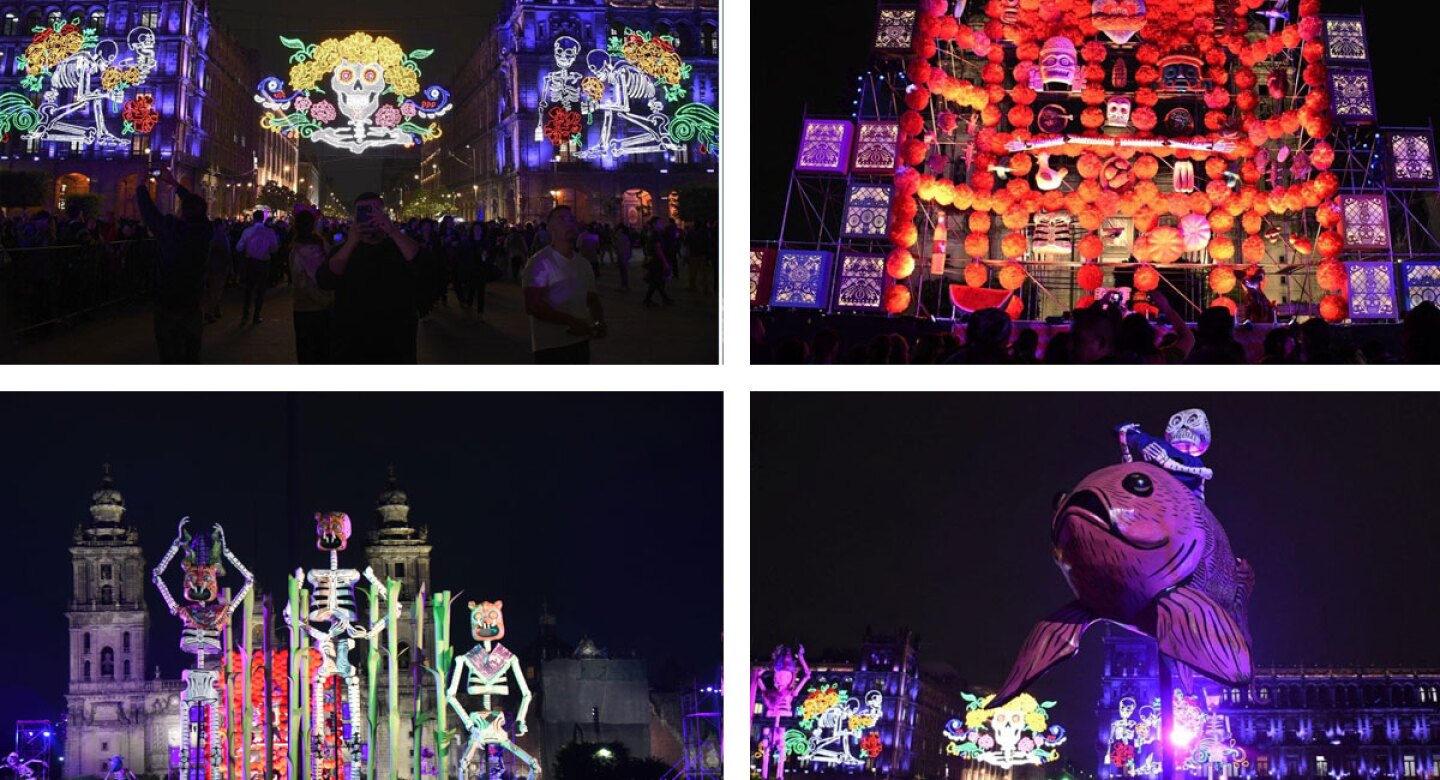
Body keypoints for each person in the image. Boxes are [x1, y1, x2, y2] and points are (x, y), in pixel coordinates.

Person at [316, 193, 424, 363]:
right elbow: (325, 280)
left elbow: (425, 266)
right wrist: (352, 242)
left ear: (384, 215)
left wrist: (393, 232)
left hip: (395, 345)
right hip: (351, 344)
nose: (369, 217)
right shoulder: (343, 251)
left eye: (375, 211)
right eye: (364, 212)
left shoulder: (399, 248)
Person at [136, 170, 211, 363]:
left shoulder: (170, 229)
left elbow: (149, 213)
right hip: (193, 299)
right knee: (191, 352)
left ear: (182, 212)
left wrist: (141, 186)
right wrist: (176, 185)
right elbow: (198, 209)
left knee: (168, 353)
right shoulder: (205, 231)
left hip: (167, 300)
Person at [521, 205, 607, 364]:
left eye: (571, 220)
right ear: (550, 227)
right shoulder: (540, 263)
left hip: (580, 342)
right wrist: (571, 321)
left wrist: (599, 321)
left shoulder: (583, 264)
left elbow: (592, 299)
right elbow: (532, 305)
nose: (569, 223)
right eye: (562, 219)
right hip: (550, 346)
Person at [288, 210, 333, 364]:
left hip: (304, 308)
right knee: (323, 350)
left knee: (306, 352)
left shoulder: (295, 251)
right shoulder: (323, 246)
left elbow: (301, 283)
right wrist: (327, 300)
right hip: (325, 306)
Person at [235, 210, 278, 324]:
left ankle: (245, 314)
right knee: (260, 290)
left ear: (253, 218)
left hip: (250, 262)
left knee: (248, 289)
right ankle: (256, 315)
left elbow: (239, 247)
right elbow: (274, 249)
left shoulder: (247, 231)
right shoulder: (269, 232)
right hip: (263, 262)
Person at [642, 216, 675, 306]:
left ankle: (659, 299)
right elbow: (658, 248)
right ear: (654, 224)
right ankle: (662, 299)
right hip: (656, 261)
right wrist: (665, 262)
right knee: (657, 281)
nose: (662, 224)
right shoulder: (655, 234)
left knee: (656, 281)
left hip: (654, 260)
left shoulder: (652, 233)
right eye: (660, 223)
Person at [203, 218, 230, 324]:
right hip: (218, 267)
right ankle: (210, 312)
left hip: (210, 266)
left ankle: (214, 309)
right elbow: (226, 253)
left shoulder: (209, 236)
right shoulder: (221, 237)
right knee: (215, 290)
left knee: (210, 290)